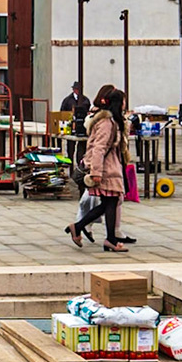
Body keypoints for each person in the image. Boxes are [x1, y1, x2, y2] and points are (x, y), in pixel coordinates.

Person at [67, 85, 130, 252]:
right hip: (105, 168)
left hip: (109, 166)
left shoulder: (112, 121)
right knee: (111, 201)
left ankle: (81, 227)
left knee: (109, 202)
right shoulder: (106, 123)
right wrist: (96, 172)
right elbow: (98, 148)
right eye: (123, 102)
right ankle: (107, 238)